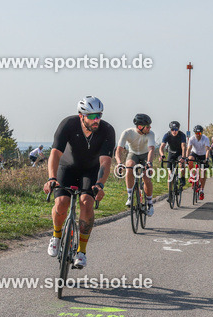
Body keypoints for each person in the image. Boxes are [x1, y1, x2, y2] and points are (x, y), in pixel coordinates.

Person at [43, 96, 115, 270]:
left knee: (86, 202)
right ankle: (56, 236)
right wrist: (51, 178)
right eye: (92, 116)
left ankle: (81, 251)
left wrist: (100, 184)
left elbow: (105, 162)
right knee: (61, 202)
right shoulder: (68, 124)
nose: (96, 120)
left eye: (99, 115)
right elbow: (55, 153)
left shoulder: (107, 130)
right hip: (67, 167)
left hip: (90, 171)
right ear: (81, 116)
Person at [116, 113, 157, 217]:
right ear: (139, 127)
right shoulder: (127, 133)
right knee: (129, 166)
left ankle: (150, 204)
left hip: (145, 155)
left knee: (146, 177)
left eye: (149, 126)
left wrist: (149, 163)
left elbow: (151, 149)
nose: (150, 128)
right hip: (133, 153)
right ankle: (130, 196)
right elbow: (119, 150)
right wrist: (119, 163)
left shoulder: (150, 134)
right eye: (147, 126)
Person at [160, 121, 188, 190]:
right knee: (170, 174)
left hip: (179, 153)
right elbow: (161, 147)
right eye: (172, 129)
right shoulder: (167, 135)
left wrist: (183, 157)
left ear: (178, 129)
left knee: (181, 165)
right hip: (171, 153)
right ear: (170, 129)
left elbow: (183, 147)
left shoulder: (182, 135)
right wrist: (162, 155)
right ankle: (170, 192)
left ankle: (183, 177)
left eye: (176, 129)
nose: (174, 131)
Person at [187, 125, 211, 200]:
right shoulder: (192, 138)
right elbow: (189, 148)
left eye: (199, 133)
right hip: (194, 153)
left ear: (201, 133)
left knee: (203, 173)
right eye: (196, 133)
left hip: (203, 155)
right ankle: (192, 175)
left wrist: (206, 158)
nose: (197, 135)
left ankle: (202, 190)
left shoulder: (205, 138)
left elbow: (207, 149)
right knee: (190, 160)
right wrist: (186, 157)